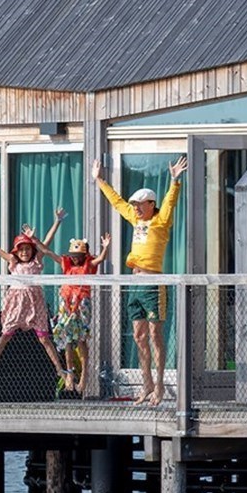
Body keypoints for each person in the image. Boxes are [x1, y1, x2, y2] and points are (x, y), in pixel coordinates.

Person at [95, 156, 186, 404]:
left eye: (140, 204)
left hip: (153, 283)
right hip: (134, 282)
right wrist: (100, 180)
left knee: (156, 336)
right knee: (138, 335)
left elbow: (170, 203)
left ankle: (159, 387)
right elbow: (117, 202)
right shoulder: (136, 220)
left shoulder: (160, 220)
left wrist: (175, 180)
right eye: (134, 204)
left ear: (150, 203)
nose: (135, 207)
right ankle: (146, 384)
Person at [0, 213, 67, 385]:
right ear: (17, 251)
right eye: (21, 249)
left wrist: (57, 222)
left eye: (28, 248)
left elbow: (46, 243)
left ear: (32, 250)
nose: (25, 252)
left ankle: (59, 369)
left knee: (44, 338)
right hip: (17, 302)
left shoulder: (36, 261)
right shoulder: (13, 263)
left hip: (34, 302)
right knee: (5, 335)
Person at [39, 231, 112, 394]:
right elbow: (48, 252)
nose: (75, 258)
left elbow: (99, 260)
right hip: (66, 304)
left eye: (78, 255)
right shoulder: (66, 264)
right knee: (67, 340)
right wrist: (35, 239)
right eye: (73, 255)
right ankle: (70, 373)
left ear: (84, 254)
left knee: (81, 339)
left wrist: (105, 248)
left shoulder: (89, 265)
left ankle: (85, 374)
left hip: (81, 304)